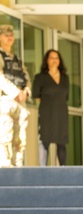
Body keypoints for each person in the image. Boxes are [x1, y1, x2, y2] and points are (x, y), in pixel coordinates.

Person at [32, 49, 69, 166]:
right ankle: (43, 170)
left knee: (61, 142)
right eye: (51, 58)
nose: (54, 60)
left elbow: (66, 96)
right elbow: (36, 95)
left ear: (60, 61)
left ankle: (63, 169)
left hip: (61, 113)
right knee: (44, 140)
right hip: (46, 113)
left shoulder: (65, 78)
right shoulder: (40, 77)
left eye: (56, 58)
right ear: (46, 60)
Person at [0, 23, 30, 168]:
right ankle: (5, 172)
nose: (10, 37)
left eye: (11, 35)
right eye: (6, 35)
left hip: (19, 102)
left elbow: (25, 77)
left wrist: (26, 90)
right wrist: (15, 92)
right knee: (5, 137)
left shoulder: (16, 59)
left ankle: (18, 171)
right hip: (5, 101)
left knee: (20, 140)